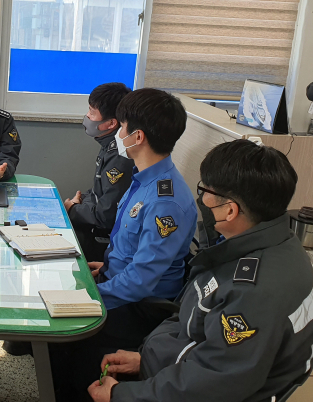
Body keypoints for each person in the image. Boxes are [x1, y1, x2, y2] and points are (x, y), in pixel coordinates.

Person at [89, 139, 313, 402]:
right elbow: (196, 327)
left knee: (81, 371)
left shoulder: (253, 292)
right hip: (176, 367)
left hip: (192, 389)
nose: (202, 199)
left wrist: (120, 395)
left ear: (230, 210)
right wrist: (146, 358)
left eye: (205, 190)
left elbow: (210, 384)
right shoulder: (270, 245)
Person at [51, 88, 197, 401]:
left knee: (60, 332)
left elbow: (142, 280)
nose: (118, 134)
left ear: (138, 136)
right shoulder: (143, 179)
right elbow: (131, 248)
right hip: (119, 284)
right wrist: (107, 266)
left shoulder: (165, 201)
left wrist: (91, 297)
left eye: (123, 128)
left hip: (139, 307)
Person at [64, 83, 134, 261]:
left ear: (111, 123)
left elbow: (106, 216)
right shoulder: (108, 144)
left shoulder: (120, 156)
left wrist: (73, 209)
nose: (87, 116)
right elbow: (99, 193)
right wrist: (79, 202)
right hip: (94, 227)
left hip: (103, 241)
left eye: (92, 112)